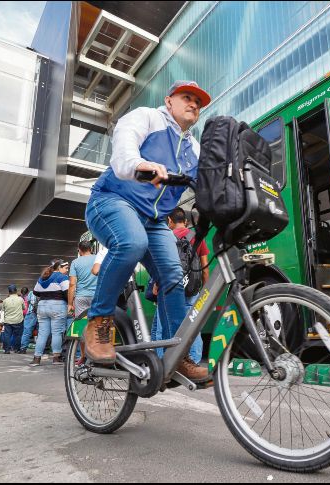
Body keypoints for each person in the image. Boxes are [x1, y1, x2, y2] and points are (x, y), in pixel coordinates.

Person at [84, 80, 210, 381]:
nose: (193, 104)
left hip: (155, 220)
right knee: (131, 243)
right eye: (186, 98)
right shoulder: (147, 118)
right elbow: (124, 148)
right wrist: (140, 164)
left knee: (174, 276)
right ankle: (99, 322)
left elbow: (210, 185)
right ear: (169, 102)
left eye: (198, 102)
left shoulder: (194, 148)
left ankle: (178, 356)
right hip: (113, 200)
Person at [151, 207, 210, 364]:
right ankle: (194, 363)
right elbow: (205, 268)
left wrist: (157, 284)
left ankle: (161, 363)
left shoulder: (166, 237)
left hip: (169, 288)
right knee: (193, 327)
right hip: (192, 290)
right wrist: (205, 291)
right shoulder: (197, 237)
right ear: (186, 221)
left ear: (169, 220)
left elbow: (160, 265)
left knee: (163, 327)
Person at [31, 260, 69, 366]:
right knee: (56, 333)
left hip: (42, 306)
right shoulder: (62, 278)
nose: (67, 270)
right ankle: (56, 358)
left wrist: (47, 294)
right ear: (59, 267)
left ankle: (36, 359)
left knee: (42, 333)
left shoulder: (43, 277)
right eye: (65, 268)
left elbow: (35, 292)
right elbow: (67, 292)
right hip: (58, 306)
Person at [68, 240, 98, 319]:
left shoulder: (75, 262)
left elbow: (72, 284)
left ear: (79, 250)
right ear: (91, 249)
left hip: (81, 297)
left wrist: (70, 304)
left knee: (81, 322)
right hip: (97, 296)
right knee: (98, 322)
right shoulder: (98, 260)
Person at [1, 284, 26, 354]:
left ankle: (7, 350)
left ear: (9, 292)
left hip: (8, 321)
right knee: (18, 335)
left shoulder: (5, 300)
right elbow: (24, 308)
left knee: (7, 335)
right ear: (16, 291)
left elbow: (3, 309)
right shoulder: (20, 299)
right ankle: (17, 349)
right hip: (18, 320)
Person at [18, 287, 38, 354]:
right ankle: (43, 349)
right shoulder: (47, 292)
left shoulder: (31, 293)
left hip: (31, 313)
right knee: (43, 333)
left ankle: (23, 348)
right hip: (42, 314)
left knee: (27, 332)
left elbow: (28, 304)